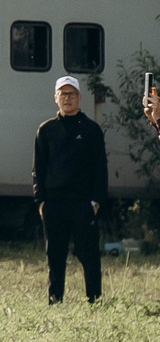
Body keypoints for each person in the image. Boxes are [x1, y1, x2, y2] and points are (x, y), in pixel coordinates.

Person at [35, 74, 107, 305]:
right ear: (55, 98)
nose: (67, 98)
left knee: (89, 254)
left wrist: (96, 202)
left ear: (79, 98)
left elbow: (100, 169)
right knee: (55, 255)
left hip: (82, 203)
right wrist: (41, 201)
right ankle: (55, 299)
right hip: (54, 203)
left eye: (72, 94)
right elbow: (38, 168)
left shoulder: (91, 130)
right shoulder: (45, 131)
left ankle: (94, 299)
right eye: (63, 94)